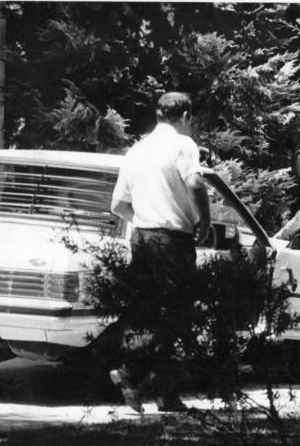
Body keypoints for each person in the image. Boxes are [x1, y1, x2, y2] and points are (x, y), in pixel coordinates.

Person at [110, 91, 211, 413]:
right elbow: (195, 184)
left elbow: (118, 205)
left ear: (157, 116)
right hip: (171, 240)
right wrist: (204, 222)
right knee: (175, 315)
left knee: (150, 313)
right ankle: (129, 374)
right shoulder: (183, 145)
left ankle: (165, 394)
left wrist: (145, 220)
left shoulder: (137, 150)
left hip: (142, 238)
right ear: (185, 116)